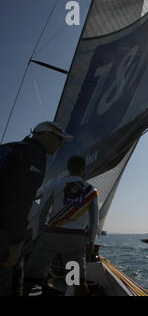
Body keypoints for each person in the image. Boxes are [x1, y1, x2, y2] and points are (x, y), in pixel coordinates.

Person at [0, 121, 72, 296]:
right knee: (6, 284)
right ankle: (75, 287)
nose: (60, 144)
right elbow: (19, 199)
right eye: (58, 139)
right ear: (45, 134)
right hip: (5, 232)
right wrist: (16, 241)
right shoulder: (33, 153)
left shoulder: (10, 148)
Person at [23, 155, 99, 296]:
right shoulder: (91, 190)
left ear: (68, 168)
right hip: (75, 241)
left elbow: (41, 213)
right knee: (77, 281)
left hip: (50, 237)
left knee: (31, 278)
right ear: (83, 168)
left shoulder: (54, 185)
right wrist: (91, 242)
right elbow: (94, 221)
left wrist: (36, 237)